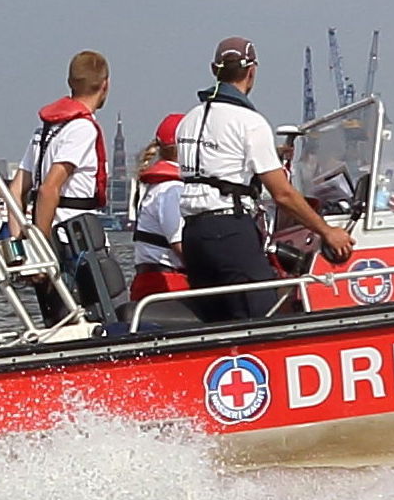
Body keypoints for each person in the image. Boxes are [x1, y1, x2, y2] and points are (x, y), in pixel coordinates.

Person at [177, 36, 353, 322]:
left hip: (194, 237)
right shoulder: (250, 122)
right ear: (252, 71)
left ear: (214, 70)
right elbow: (282, 194)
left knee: (213, 325)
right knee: (260, 319)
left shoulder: (190, 120)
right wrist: (327, 231)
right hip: (230, 233)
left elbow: (216, 165)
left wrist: (268, 155)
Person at [9, 50, 110, 323]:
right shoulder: (81, 129)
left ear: (70, 83)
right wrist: (42, 250)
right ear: (105, 85)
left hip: (49, 238)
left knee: (56, 318)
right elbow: (48, 188)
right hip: (72, 244)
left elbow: (16, 189)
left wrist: (21, 246)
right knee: (93, 316)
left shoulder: (45, 130)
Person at [129, 112, 188, 304]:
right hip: (165, 286)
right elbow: (180, 245)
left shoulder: (154, 187)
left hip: (149, 284)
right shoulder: (172, 190)